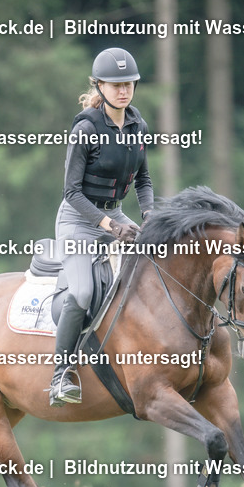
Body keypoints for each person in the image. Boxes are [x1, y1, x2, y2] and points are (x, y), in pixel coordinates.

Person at [48, 47, 154, 407]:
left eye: (129, 84)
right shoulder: (85, 128)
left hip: (117, 216)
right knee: (81, 293)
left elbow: (144, 179)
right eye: (115, 84)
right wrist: (109, 225)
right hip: (79, 220)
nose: (123, 90)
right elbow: (71, 193)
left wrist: (149, 215)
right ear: (100, 86)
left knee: (156, 268)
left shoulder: (138, 124)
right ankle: (60, 374)